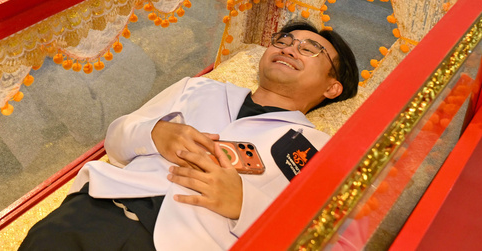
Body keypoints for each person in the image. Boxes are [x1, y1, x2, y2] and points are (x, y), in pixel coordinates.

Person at [18, 22, 359, 251]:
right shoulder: (199, 89)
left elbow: (342, 239)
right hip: (98, 211)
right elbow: (115, 140)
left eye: (310, 49)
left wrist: (246, 205)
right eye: (283, 41)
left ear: (333, 87)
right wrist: (153, 134)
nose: (289, 48)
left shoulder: (322, 150)